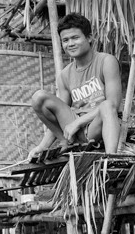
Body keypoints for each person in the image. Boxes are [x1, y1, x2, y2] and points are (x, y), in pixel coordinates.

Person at [29, 13, 122, 159]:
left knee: (107, 105)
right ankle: (65, 142)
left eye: (75, 38)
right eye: (65, 40)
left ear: (89, 38)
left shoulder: (106, 61)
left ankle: (111, 158)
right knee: (39, 97)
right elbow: (59, 112)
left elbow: (114, 104)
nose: (70, 44)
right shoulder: (64, 75)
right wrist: (42, 146)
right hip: (74, 128)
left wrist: (78, 122)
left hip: (97, 125)